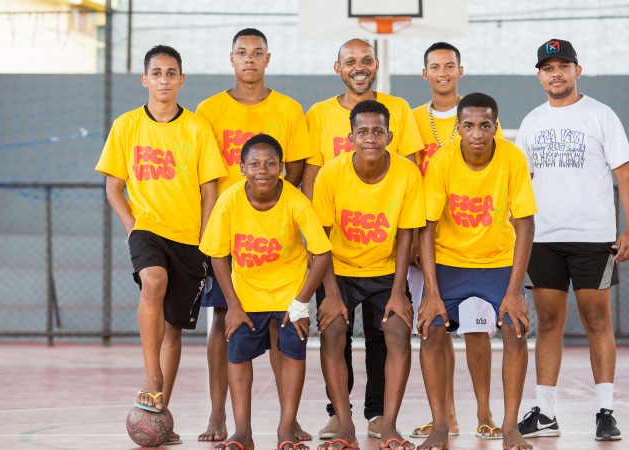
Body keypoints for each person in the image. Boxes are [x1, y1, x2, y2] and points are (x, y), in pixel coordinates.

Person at [95, 45, 227, 445]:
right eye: (157, 73)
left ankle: (159, 414)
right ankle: (151, 374)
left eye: (172, 73)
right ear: (145, 79)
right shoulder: (127, 125)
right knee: (153, 281)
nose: (164, 80)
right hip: (148, 229)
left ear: (181, 80)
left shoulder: (197, 127)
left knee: (173, 327)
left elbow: (209, 190)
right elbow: (113, 186)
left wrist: (206, 237)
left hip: (189, 237)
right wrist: (133, 227)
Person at [515, 38, 629, 442]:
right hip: (545, 238)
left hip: (593, 238)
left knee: (597, 321)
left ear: (576, 71)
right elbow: (523, 184)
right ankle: (546, 411)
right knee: (548, 322)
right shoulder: (533, 121)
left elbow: (625, 177)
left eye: (563, 66)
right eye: (548, 68)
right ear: (539, 75)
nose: (556, 74)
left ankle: (605, 410)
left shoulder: (601, 116)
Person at [301, 38, 424, 440]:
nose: (370, 137)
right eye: (350, 60)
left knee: (387, 332)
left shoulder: (402, 154)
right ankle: (342, 417)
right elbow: (319, 229)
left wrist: (400, 289)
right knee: (334, 328)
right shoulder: (331, 165)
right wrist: (329, 289)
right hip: (338, 262)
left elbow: (406, 221)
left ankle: (383, 419)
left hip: (386, 264)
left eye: (366, 59)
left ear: (389, 135)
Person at [195, 28, 314, 443]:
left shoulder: (288, 109)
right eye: (242, 52)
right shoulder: (209, 110)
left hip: (277, 235)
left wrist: (276, 210)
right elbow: (204, 174)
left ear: (268, 59)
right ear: (231, 59)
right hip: (227, 233)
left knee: (283, 329)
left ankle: (289, 420)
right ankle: (218, 417)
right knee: (223, 321)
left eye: (257, 52)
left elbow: (297, 168)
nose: (249, 59)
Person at [417, 92, 536, 450]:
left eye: (485, 125)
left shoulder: (512, 158)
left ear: (496, 127)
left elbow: (526, 225)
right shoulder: (442, 161)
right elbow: (427, 226)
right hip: (449, 262)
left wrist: (514, 293)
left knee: (515, 330)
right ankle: (441, 426)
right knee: (431, 331)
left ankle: (510, 427)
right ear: (458, 129)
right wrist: (432, 293)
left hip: (496, 260)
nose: (477, 133)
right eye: (468, 125)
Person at [199, 133, 332, 450]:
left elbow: (322, 253)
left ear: (282, 168)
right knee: (238, 355)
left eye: (271, 163)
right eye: (255, 163)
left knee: (292, 352)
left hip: (289, 294)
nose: (263, 170)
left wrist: (301, 303)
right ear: (242, 166)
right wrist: (232, 305)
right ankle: (242, 431)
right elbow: (217, 254)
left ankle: (286, 429)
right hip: (247, 295)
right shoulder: (229, 200)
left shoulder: (295, 201)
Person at [408, 42, 504, 442]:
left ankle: (484, 411)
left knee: (477, 329)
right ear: (425, 73)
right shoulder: (412, 119)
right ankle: (444, 416)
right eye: (435, 66)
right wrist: (414, 239)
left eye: (450, 65)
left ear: (460, 71)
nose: (443, 72)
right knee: (434, 328)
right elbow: (410, 177)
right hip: (431, 241)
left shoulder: (477, 113)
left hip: (474, 239)